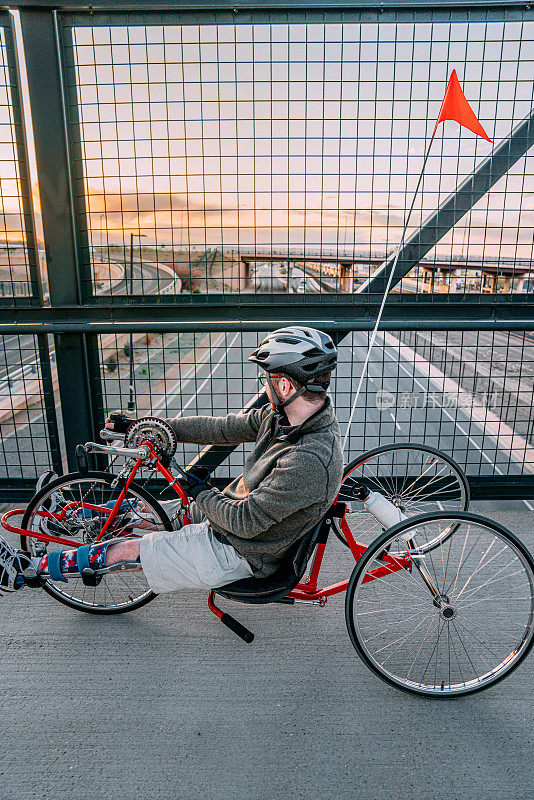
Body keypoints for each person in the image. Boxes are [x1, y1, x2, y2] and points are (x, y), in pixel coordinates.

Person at [0, 327, 344, 597]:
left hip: (239, 551)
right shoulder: (283, 419)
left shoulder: (308, 460)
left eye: (266, 379)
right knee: (141, 513)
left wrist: (198, 492)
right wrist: (148, 425)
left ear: (284, 384)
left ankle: (27, 569)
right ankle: (70, 518)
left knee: (125, 549)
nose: (264, 385)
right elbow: (222, 428)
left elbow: (246, 522)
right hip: (228, 520)